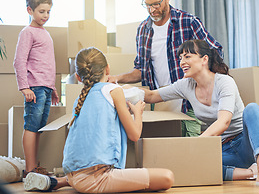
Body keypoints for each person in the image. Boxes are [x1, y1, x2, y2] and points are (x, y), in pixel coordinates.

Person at [23, 47, 174, 193]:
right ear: (108, 69)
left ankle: (59, 182)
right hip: (98, 178)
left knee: (84, 176)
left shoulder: (79, 100)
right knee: (167, 177)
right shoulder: (114, 91)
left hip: (73, 174)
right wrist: (138, 113)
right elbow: (134, 135)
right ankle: (68, 182)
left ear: (77, 76)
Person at [142, 40, 259, 189]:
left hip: (248, 143)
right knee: (192, 164)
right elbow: (151, 96)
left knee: (252, 109)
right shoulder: (185, 85)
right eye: (180, 58)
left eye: (187, 56)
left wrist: (195, 144)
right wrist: (123, 90)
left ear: (204, 59)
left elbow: (224, 122)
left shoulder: (224, 82)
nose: (182, 62)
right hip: (224, 150)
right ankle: (251, 172)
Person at [108, 0, 223, 137]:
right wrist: (117, 78)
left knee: (193, 153)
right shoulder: (143, 30)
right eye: (147, 5)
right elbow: (141, 70)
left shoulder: (188, 22)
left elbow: (216, 52)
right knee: (162, 154)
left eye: (156, 4)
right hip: (157, 103)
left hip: (188, 104)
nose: (152, 10)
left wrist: (199, 77)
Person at [13, 0, 59, 177]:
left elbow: (47, 64)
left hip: (45, 88)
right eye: (42, 11)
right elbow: (19, 61)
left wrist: (53, 88)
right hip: (35, 88)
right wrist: (24, 87)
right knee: (31, 127)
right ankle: (30, 170)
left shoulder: (45, 33)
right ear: (29, 10)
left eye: (48, 11)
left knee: (38, 128)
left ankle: (34, 167)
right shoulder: (27, 32)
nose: (46, 16)